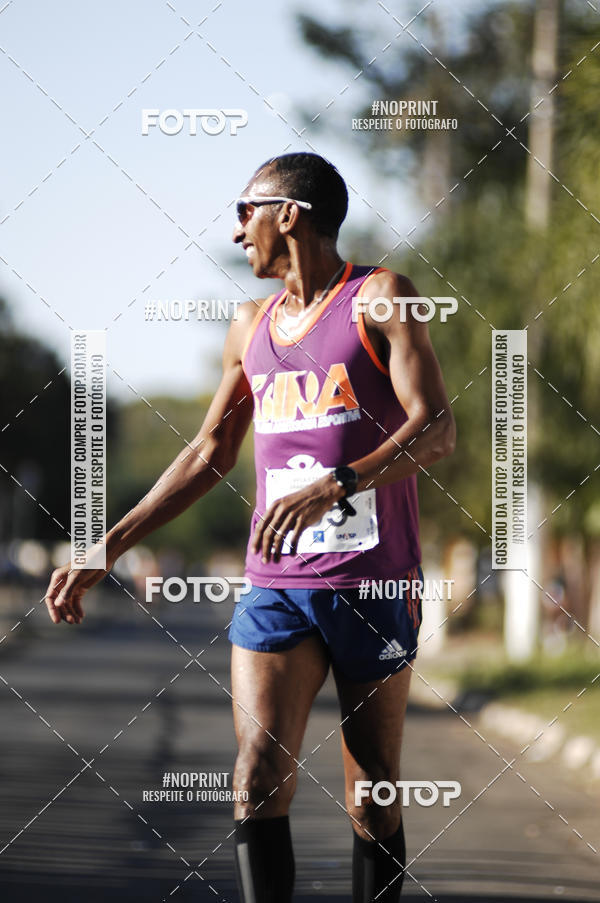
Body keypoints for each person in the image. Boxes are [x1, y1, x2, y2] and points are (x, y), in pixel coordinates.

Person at [45, 152, 455, 902]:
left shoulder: (380, 298)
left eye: (245, 210)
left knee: (373, 794)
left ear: (289, 213)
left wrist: (342, 480)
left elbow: (438, 430)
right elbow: (208, 452)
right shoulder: (249, 325)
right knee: (258, 778)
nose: (237, 231)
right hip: (276, 587)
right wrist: (106, 545)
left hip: (372, 580)